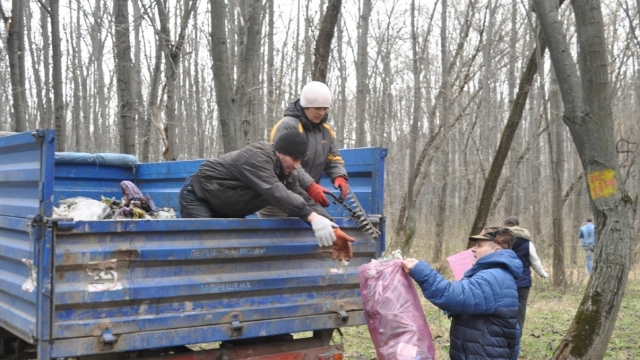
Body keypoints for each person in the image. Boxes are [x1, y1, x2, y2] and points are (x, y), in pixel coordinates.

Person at [178, 129, 354, 262]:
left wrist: (333, 228)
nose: (296, 166)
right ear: (279, 152)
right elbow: (276, 192)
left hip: (226, 206)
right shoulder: (257, 157)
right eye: (294, 159)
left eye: (300, 161)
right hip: (199, 198)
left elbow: (303, 198)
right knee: (208, 255)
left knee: (230, 260)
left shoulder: (287, 170)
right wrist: (314, 219)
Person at [402, 228, 522, 360]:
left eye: (479, 245)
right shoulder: (497, 274)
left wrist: (419, 270)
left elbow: (451, 296)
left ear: (497, 250)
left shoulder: (493, 277)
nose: (473, 249)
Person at [260, 81, 348, 217]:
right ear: (305, 106)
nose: (321, 113)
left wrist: (339, 176)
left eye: (325, 109)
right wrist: (310, 185)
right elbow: (287, 163)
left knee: (316, 230)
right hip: (279, 197)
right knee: (278, 236)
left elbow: (333, 159)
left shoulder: (326, 131)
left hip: (306, 197)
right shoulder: (288, 126)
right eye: (317, 108)